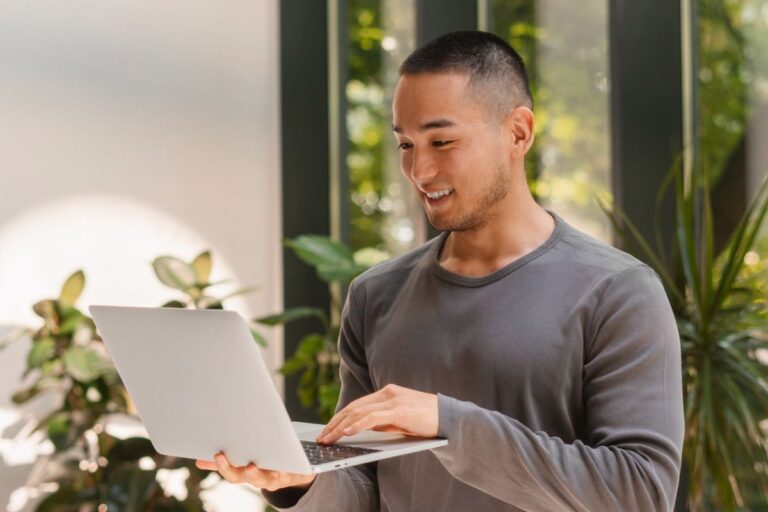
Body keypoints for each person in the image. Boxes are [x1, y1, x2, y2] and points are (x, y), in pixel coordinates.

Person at [196, 31, 684, 511]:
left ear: (518, 132)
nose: (420, 171)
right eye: (406, 145)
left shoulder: (618, 292)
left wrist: (448, 423)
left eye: (442, 141)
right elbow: (363, 486)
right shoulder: (376, 295)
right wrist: (302, 481)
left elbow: (640, 492)